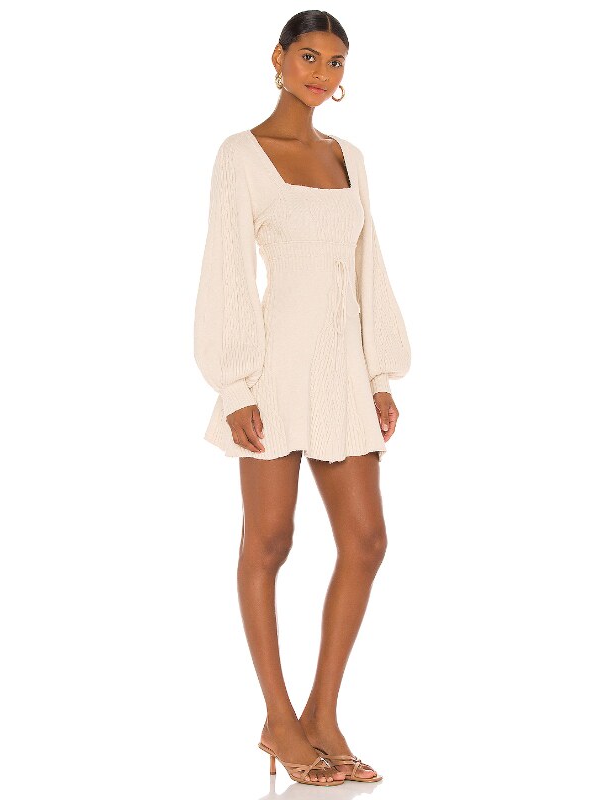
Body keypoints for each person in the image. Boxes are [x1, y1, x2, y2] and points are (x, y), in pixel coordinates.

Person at [193, 10, 411, 787]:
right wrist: (235, 383)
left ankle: (322, 713)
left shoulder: (350, 157)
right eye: (310, 56)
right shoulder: (241, 154)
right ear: (279, 59)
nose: (322, 72)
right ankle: (279, 720)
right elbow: (226, 268)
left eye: (336, 61)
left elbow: (369, 264)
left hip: (344, 372)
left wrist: (379, 375)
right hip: (272, 374)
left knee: (367, 541)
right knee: (270, 541)